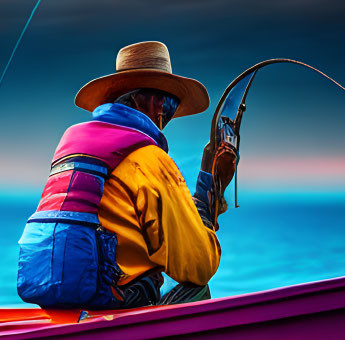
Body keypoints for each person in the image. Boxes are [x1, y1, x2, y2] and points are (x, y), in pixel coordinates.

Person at [17, 40, 237, 312]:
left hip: (64, 295)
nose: (167, 115)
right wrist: (209, 191)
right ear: (152, 102)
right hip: (114, 302)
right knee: (196, 287)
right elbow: (198, 265)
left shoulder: (72, 145)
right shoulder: (149, 159)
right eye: (170, 104)